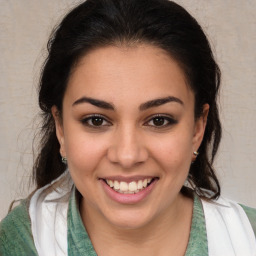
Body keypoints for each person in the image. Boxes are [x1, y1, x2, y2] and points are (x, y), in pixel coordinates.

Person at [0, 0, 255, 255]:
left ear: (198, 129)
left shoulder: (249, 237)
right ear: (61, 129)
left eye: (159, 120)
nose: (127, 155)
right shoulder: (15, 245)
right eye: (96, 120)